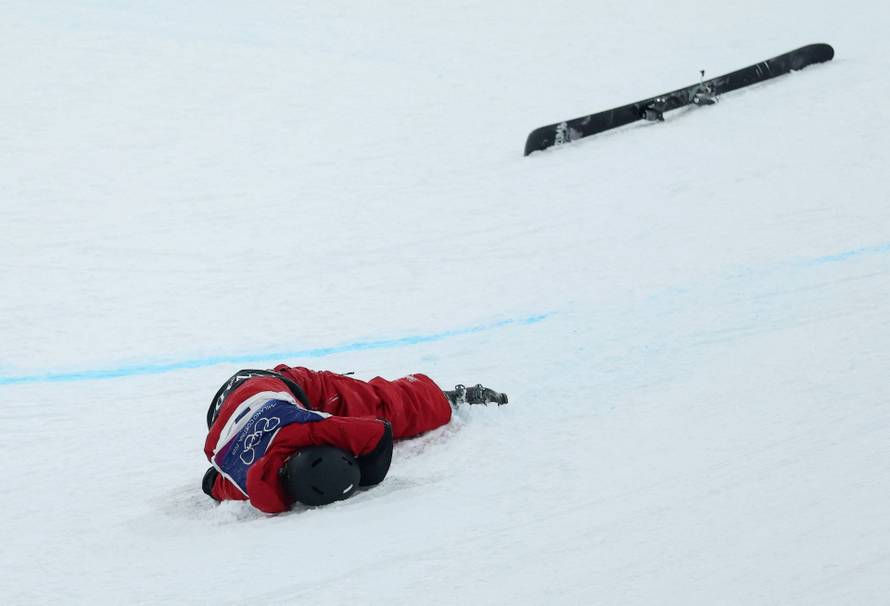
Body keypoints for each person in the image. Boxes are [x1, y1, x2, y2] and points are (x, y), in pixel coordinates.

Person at [201, 364, 507, 513]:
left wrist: (362, 468)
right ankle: (441, 400)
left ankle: (441, 399)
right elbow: (212, 483)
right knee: (378, 408)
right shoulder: (244, 481)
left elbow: (377, 430)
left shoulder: (310, 429)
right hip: (221, 420)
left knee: (377, 404)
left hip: (271, 386)